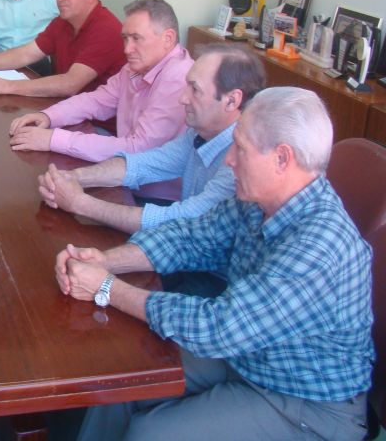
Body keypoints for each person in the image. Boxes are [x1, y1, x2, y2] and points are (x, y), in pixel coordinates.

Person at [57, 87, 373, 441]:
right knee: (125, 378)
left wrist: (105, 287)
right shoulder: (260, 199)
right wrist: (106, 261)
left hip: (304, 400)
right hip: (250, 354)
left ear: (282, 158)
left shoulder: (319, 249)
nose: (229, 160)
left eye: (240, 148)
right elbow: (193, 237)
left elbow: (219, 327)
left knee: (151, 434)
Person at [38, 44, 265, 231]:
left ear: (232, 100)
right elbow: (142, 164)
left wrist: (80, 203)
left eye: (195, 90)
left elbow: (183, 221)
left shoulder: (242, 160)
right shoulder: (199, 132)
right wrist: (72, 177)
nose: (183, 99)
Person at [10, 0, 193, 202]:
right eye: (125, 38)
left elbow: (137, 149)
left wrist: (54, 139)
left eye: (136, 38)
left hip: (155, 198)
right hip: (124, 178)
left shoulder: (178, 78)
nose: (127, 49)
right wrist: (48, 116)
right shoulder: (135, 67)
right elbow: (95, 101)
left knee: (48, 196)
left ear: (168, 38)